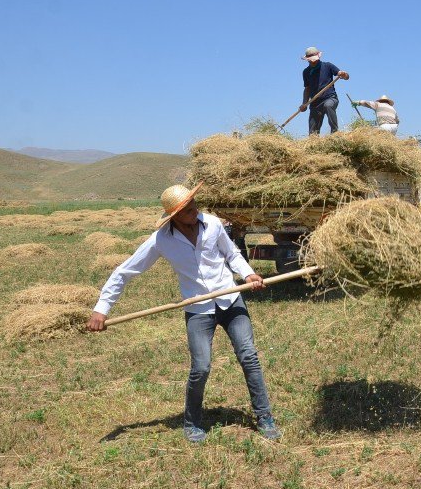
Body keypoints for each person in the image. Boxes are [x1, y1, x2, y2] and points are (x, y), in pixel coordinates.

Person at [85, 183, 283, 444]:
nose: (195, 212)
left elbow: (231, 253)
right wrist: (101, 310)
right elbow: (124, 272)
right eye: (188, 211)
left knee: (248, 356)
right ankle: (192, 422)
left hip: (230, 298)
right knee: (201, 367)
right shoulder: (161, 241)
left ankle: (264, 416)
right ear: (174, 216)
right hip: (198, 308)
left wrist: (248, 273)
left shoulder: (212, 224)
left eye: (194, 206)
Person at [300, 46, 350, 135]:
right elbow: (307, 89)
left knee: (328, 105)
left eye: (314, 59)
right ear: (307, 59)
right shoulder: (306, 72)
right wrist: (304, 103)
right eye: (311, 60)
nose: (313, 61)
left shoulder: (328, 66)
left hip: (330, 98)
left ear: (318, 57)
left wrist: (344, 74)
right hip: (315, 102)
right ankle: (313, 143)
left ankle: (335, 134)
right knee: (313, 133)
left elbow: (344, 76)